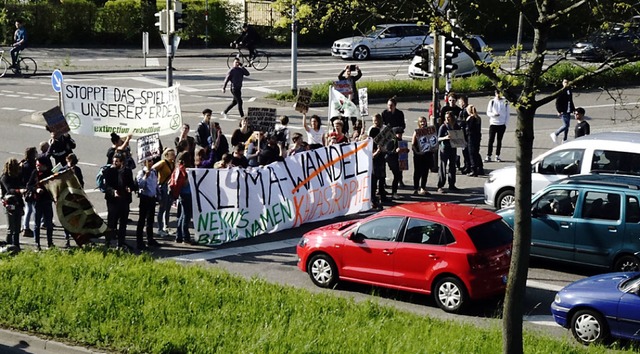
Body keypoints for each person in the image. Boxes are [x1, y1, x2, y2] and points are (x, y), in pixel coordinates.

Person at [103, 153, 136, 250]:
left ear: (122, 162)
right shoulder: (109, 171)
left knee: (123, 223)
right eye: (113, 161)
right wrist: (113, 192)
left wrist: (130, 188)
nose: (114, 163)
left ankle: (120, 243)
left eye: (116, 161)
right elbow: (107, 186)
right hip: (113, 201)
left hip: (124, 200)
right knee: (111, 222)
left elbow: (131, 183)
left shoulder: (127, 171)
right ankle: (108, 242)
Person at [27, 157, 54, 250]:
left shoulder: (50, 174)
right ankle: (37, 244)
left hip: (47, 201)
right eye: (36, 165)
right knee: (36, 224)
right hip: (37, 201)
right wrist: (36, 189)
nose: (37, 167)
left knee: (49, 223)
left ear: (44, 165)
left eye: (39, 165)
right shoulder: (35, 172)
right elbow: (29, 185)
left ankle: (50, 243)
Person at [136, 158, 161, 251]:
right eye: (149, 161)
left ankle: (150, 239)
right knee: (142, 220)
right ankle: (139, 241)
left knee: (150, 220)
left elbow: (155, 184)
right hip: (144, 198)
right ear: (144, 163)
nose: (151, 162)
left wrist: (159, 194)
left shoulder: (154, 172)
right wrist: (145, 177)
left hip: (152, 198)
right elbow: (140, 185)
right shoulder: (141, 172)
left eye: (151, 161)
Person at [1, 158, 26, 251]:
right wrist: (19, 190)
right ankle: (9, 246)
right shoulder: (5, 177)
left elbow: (21, 183)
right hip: (9, 203)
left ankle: (16, 245)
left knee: (17, 227)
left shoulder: (17, 176)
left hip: (18, 203)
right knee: (11, 227)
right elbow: (9, 189)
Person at [152, 148, 176, 238]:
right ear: (166, 155)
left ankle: (166, 226)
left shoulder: (172, 163)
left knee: (168, 208)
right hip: (162, 187)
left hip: (169, 187)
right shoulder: (163, 163)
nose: (174, 156)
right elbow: (153, 169)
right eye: (172, 154)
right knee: (162, 208)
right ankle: (160, 228)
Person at [367, 114, 388, 209]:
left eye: (376, 120)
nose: (375, 122)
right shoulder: (372, 129)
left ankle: (382, 194)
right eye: (373, 120)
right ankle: (373, 198)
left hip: (382, 154)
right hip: (374, 154)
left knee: (382, 176)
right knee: (374, 177)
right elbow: (369, 141)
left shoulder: (384, 128)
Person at [173, 152, 194, 244]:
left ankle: (179, 236)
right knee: (186, 216)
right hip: (186, 194)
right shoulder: (184, 170)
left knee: (182, 216)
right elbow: (185, 183)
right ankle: (186, 237)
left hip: (181, 194)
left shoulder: (178, 167)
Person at [437, 112, 461, 193]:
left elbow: (459, 134)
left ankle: (452, 184)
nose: (447, 119)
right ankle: (440, 185)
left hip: (453, 147)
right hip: (444, 148)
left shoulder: (455, 126)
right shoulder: (443, 127)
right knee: (443, 166)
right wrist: (445, 137)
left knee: (452, 166)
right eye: (446, 117)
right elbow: (438, 138)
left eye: (449, 117)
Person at [411, 116, 434, 196]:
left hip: (427, 154)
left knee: (425, 172)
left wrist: (433, 148)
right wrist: (417, 152)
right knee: (417, 172)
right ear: (418, 123)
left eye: (424, 121)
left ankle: (423, 188)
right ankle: (415, 188)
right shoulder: (416, 132)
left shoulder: (429, 131)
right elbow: (413, 144)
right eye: (421, 122)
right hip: (418, 155)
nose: (423, 123)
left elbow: (433, 141)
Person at [485, 89, 510, 162]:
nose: (498, 95)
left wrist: (505, 123)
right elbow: (488, 112)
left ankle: (497, 155)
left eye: (500, 93)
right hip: (493, 123)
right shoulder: (492, 101)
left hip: (501, 124)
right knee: (491, 140)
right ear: (495, 93)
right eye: (497, 93)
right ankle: (488, 155)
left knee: (499, 140)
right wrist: (493, 115)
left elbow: (508, 114)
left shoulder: (505, 102)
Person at [386, 127, 409, 200]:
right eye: (398, 134)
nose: (400, 135)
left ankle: (394, 192)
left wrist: (405, 150)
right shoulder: (391, 141)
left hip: (399, 161)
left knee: (398, 176)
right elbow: (388, 152)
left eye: (401, 134)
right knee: (396, 176)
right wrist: (395, 151)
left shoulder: (401, 141)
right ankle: (394, 192)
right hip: (393, 161)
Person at [338, 64, 362, 130]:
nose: (348, 73)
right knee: (345, 116)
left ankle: (355, 128)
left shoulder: (352, 79)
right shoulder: (343, 79)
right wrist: (344, 69)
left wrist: (358, 69)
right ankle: (345, 129)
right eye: (347, 72)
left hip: (352, 99)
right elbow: (339, 76)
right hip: (345, 100)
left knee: (353, 115)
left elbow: (359, 75)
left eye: (349, 72)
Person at [19, 147, 37, 239]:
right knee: (29, 209)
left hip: (27, 188)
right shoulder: (29, 165)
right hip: (28, 189)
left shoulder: (25, 164)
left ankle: (25, 227)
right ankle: (25, 228)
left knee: (30, 208)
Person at [551, 78, 575, 144]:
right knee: (566, 125)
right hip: (563, 111)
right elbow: (557, 102)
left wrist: (573, 109)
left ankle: (565, 139)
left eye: (567, 82)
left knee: (567, 126)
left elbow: (571, 100)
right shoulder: (561, 91)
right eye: (565, 82)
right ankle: (555, 134)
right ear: (562, 83)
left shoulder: (569, 90)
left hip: (568, 110)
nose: (566, 84)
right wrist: (559, 111)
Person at [465, 105, 484, 176]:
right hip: (477, 137)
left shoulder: (471, 118)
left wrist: (466, 122)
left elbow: (469, 129)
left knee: (472, 153)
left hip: (471, 138)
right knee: (476, 153)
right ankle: (480, 168)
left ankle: (474, 169)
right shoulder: (478, 118)